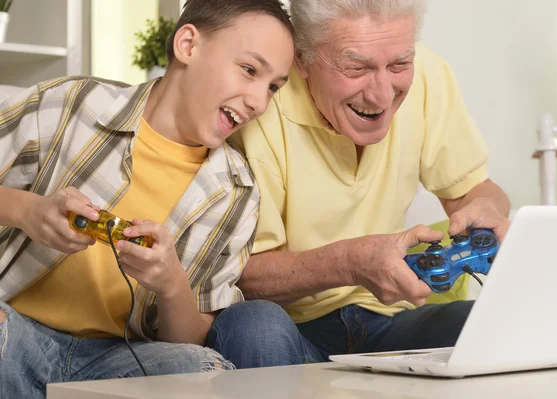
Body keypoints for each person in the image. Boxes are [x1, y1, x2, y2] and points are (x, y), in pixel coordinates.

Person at [0, 0, 294, 396]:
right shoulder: (73, 105)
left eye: (273, 87)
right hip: (15, 331)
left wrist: (172, 285)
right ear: (188, 45)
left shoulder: (236, 192)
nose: (259, 101)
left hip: (120, 358)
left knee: (199, 366)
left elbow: (189, 340)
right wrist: (28, 211)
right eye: (249, 70)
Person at [208, 0, 511, 368]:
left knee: (499, 324)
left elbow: (474, 189)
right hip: (296, 327)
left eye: (400, 64)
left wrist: (487, 210)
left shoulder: (430, 74)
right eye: (356, 67)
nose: (383, 96)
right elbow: (239, 275)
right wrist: (350, 263)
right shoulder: (258, 106)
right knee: (253, 324)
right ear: (302, 59)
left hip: (393, 323)